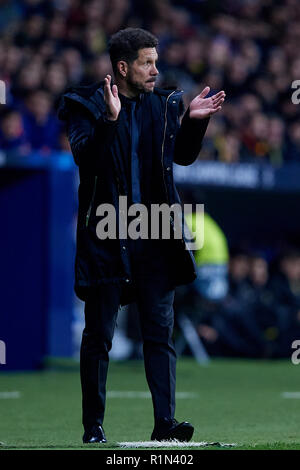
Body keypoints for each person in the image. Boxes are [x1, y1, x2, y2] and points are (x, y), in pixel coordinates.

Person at [58, 27, 225, 444]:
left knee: (159, 331)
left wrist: (194, 123)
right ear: (122, 67)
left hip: (155, 232)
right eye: (147, 63)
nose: (155, 70)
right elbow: (87, 159)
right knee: (99, 335)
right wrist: (110, 121)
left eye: (155, 61)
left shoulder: (166, 104)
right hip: (107, 233)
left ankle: (165, 423)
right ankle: (93, 426)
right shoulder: (87, 105)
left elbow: (182, 156)